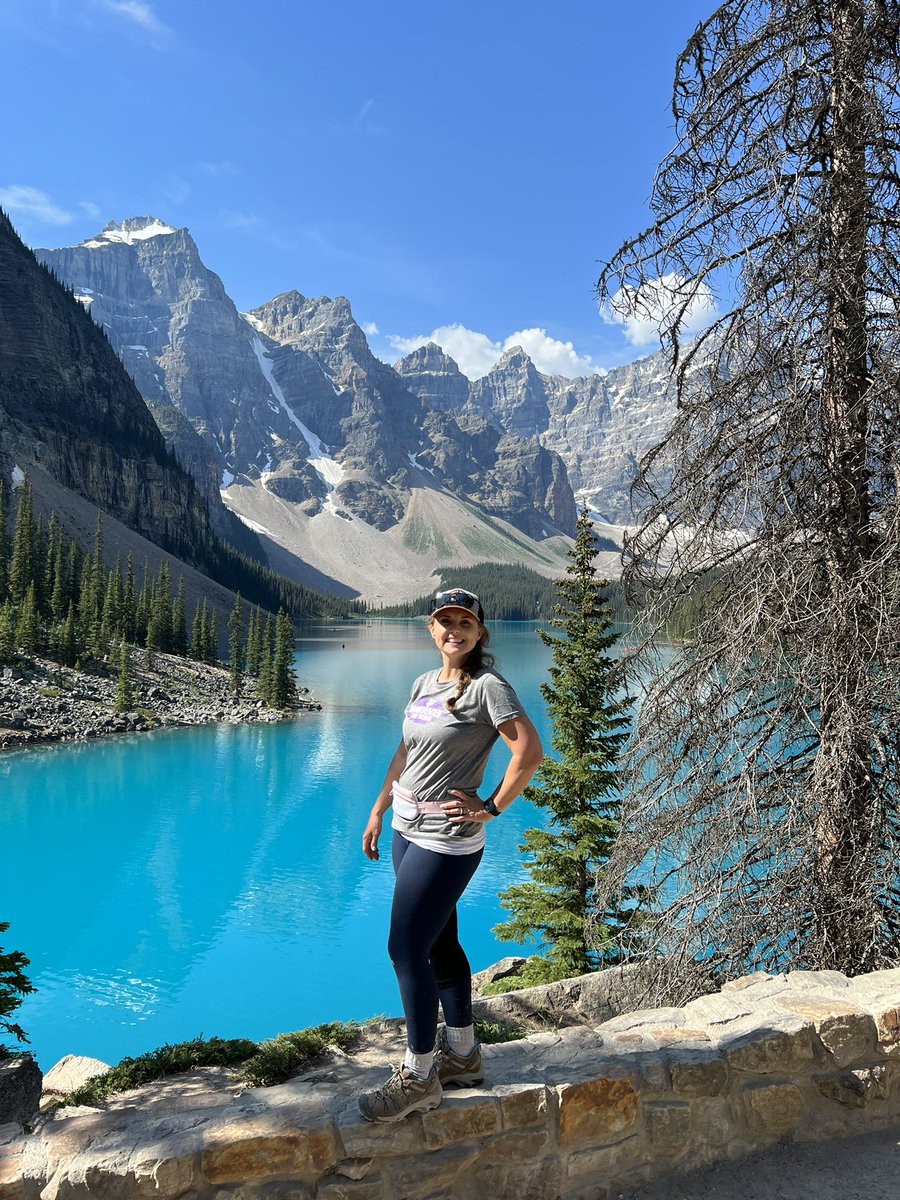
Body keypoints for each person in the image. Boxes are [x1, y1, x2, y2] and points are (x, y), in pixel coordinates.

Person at [357, 587, 543, 1123]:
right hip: (405, 827)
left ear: (480, 632)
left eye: (465, 622)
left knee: (404, 949)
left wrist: (491, 807)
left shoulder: (488, 687)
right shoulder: (423, 683)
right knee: (441, 942)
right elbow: (405, 752)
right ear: (431, 629)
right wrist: (377, 809)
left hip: (447, 838)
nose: (453, 629)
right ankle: (462, 1055)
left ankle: (419, 1077)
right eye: (445, 621)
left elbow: (528, 751)